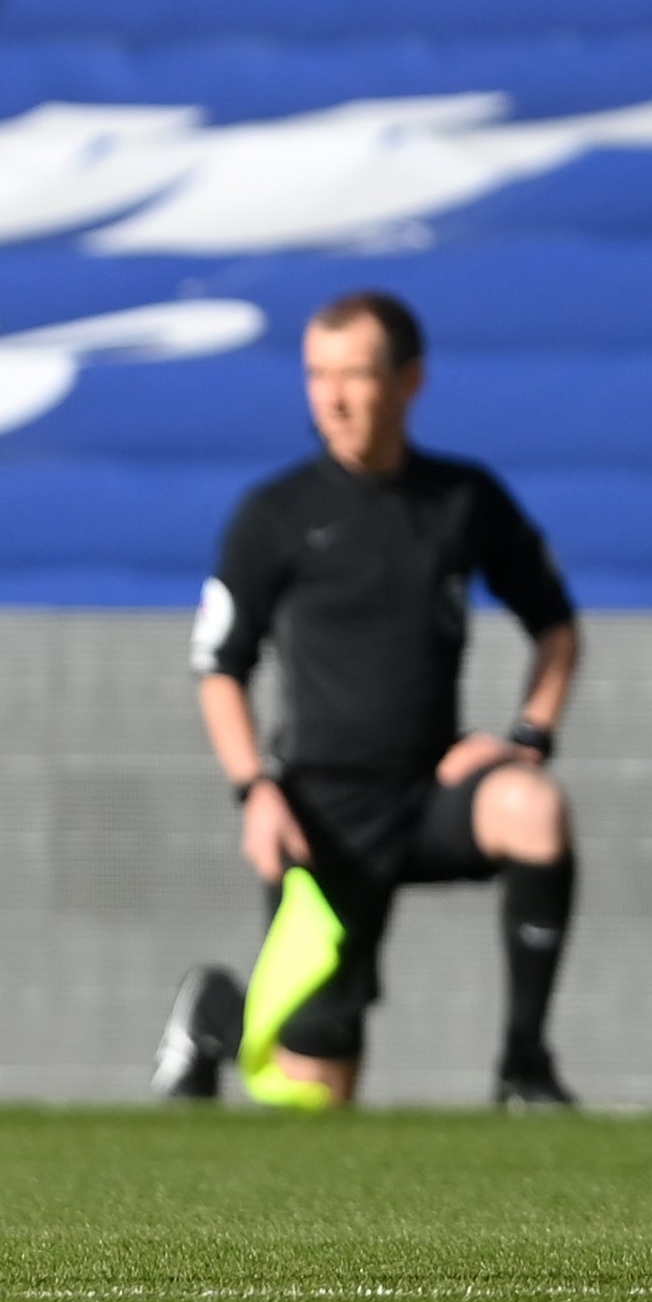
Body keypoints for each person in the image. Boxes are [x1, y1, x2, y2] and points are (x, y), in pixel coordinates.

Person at [156, 289, 582, 1110]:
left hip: (431, 793)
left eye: (354, 374)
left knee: (532, 807)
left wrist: (527, 738)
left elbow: (557, 630)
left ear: (410, 380)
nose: (334, 396)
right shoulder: (276, 513)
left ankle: (525, 1065)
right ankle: (219, 1015)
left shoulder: (464, 499)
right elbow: (219, 668)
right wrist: (257, 792)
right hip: (321, 819)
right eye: (318, 374)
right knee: (316, 1094)